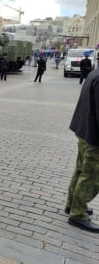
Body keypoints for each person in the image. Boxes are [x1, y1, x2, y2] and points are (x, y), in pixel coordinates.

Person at [65, 67, 99, 233]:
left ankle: (72, 204)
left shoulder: (95, 72)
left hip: (83, 131)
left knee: (80, 170)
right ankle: (78, 213)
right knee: (91, 176)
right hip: (93, 137)